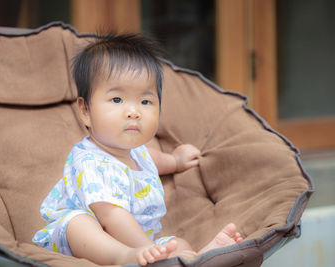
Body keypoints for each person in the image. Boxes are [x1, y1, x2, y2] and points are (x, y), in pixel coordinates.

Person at [33, 33, 243, 266]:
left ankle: (198, 258)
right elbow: (112, 217)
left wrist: (174, 161)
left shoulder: (138, 152)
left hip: (140, 244)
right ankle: (124, 257)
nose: (134, 111)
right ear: (85, 111)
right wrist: (146, 248)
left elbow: (152, 158)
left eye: (145, 102)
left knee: (178, 244)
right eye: (116, 100)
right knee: (78, 223)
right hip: (82, 245)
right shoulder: (90, 162)